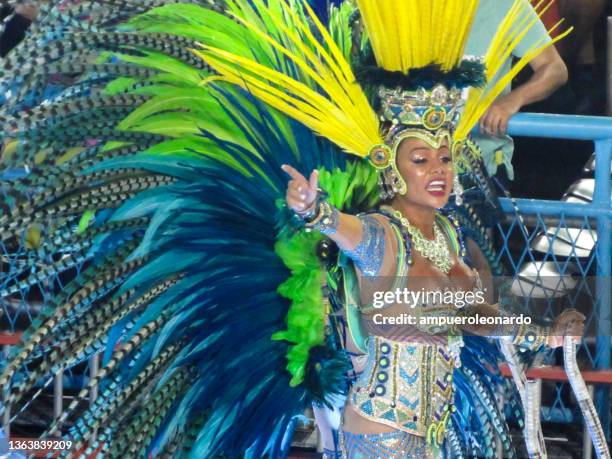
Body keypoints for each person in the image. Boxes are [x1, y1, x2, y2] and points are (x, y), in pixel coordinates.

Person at [465, 0, 568, 181]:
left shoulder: (503, 4)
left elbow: (554, 68)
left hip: (481, 167)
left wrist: (512, 100)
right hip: (407, 166)